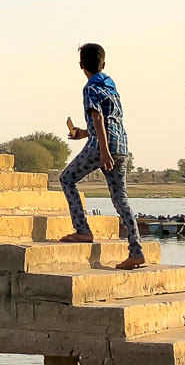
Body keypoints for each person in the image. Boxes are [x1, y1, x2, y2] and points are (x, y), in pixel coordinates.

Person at [58, 42, 146, 269]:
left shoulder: (90, 88)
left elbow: (98, 119)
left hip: (102, 148)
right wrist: (83, 134)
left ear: (81, 65)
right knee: (121, 200)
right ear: (103, 64)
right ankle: (136, 251)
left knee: (67, 179)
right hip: (121, 148)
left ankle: (83, 230)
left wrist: (104, 151)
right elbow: (109, 122)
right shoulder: (112, 88)